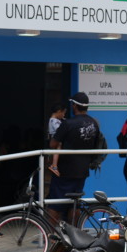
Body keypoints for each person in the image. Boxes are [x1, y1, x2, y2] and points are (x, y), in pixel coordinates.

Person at [48, 92, 101, 220]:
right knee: (75, 204)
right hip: (82, 170)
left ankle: (50, 232)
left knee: (55, 204)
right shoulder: (94, 123)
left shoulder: (68, 124)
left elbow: (53, 144)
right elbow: (96, 145)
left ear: (75, 106)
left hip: (63, 171)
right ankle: (75, 231)